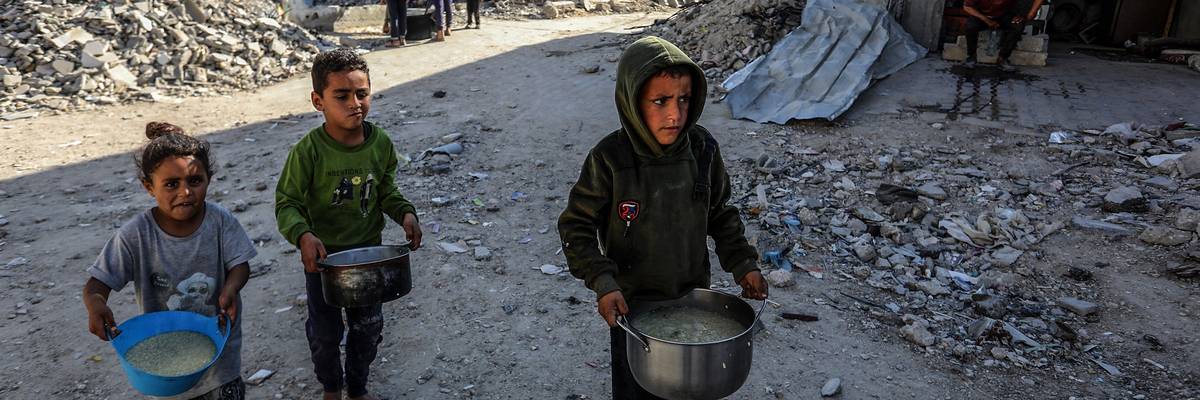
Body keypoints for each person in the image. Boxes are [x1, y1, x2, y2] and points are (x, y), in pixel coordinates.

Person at [557, 36, 768, 399]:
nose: (676, 114)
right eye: (660, 101)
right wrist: (603, 281)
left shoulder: (702, 149)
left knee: (695, 388)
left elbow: (720, 213)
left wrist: (743, 263)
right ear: (632, 101)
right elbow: (575, 226)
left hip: (693, 300)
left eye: (684, 99)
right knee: (636, 388)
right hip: (632, 309)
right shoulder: (610, 159)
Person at [275, 48, 424, 400]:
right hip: (324, 263)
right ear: (318, 101)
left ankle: (357, 388)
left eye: (362, 93)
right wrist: (303, 235)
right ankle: (331, 387)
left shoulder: (380, 143)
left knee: (367, 329)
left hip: (369, 259)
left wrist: (405, 213)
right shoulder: (308, 151)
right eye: (341, 96)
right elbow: (287, 203)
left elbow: (386, 190)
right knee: (325, 334)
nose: (355, 103)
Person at [83, 121, 257, 400]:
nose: (185, 192)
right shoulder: (135, 235)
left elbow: (240, 265)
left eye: (195, 181)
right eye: (171, 184)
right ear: (149, 187)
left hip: (220, 360)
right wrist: (96, 305)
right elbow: (97, 284)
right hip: (165, 366)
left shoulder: (219, 221)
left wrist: (231, 288)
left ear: (209, 179)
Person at [962, 0, 1044, 70]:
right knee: (970, 27)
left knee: (1017, 26)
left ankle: (1003, 58)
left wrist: (1029, 15)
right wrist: (986, 20)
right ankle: (971, 57)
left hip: (1004, 15)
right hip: (981, 15)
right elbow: (967, 7)